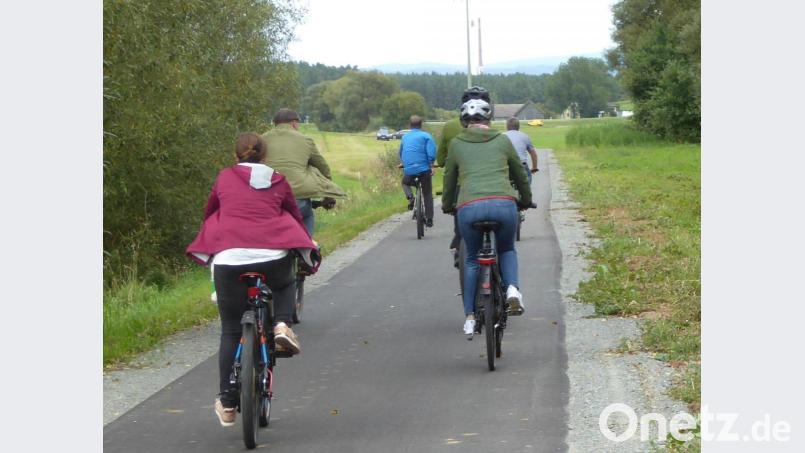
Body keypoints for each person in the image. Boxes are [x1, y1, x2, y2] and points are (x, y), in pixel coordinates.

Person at [186, 133, 319, 427]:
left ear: (237, 156)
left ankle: (229, 402)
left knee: (231, 330)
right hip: (272, 254)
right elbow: (294, 215)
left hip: (230, 259)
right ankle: (282, 323)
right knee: (285, 281)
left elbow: (210, 211)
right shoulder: (278, 179)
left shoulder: (224, 177)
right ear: (265, 156)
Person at [442, 99, 532, 336]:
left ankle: (470, 316)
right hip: (503, 204)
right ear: (489, 120)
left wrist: (447, 204)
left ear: (464, 122)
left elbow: (449, 179)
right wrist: (525, 198)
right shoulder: (502, 140)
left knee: (472, 259)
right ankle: (512, 288)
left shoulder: (456, 144)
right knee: (506, 249)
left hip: (469, 207)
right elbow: (520, 174)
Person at [262, 108, 346, 235]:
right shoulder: (305, 140)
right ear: (294, 123)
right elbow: (323, 169)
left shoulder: (261, 140)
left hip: (267, 198)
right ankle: (306, 249)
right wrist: (328, 197)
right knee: (307, 215)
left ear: (275, 123)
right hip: (297, 197)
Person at [437, 86, 492, 262]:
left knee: (458, 211)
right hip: (490, 183)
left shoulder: (448, 127)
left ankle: (459, 243)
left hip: (461, 184)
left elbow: (441, 160)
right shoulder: (491, 129)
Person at [399, 115, 436, 227]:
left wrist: (404, 163)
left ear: (410, 125)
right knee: (427, 193)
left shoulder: (405, 137)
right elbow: (431, 154)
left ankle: (411, 198)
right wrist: (432, 165)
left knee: (405, 182)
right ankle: (429, 219)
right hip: (424, 170)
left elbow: (401, 153)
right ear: (421, 125)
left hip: (409, 170)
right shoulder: (426, 136)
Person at [504, 117, 539, 184]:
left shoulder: (502, 136)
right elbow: (533, 154)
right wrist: (534, 167)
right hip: (521, 164)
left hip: (507, 165)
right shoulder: (525, 136)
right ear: (518, 127)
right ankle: (526, 193)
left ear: (507, 127)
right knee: (528, 177)